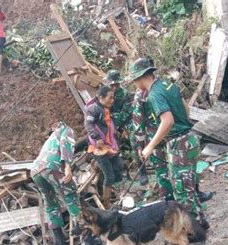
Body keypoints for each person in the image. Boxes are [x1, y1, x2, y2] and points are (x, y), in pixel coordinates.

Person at [128, 58, 210, 229]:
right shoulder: (167, 84)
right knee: (188, 186)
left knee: (181, 191)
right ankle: (201, 222)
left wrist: (149, 146)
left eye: (134, 81)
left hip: (179, 143)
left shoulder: (154, 94)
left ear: (140, 77)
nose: (135, 85)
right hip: (189, 138)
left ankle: (194, 230)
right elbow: (185, 108)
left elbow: (167, 121)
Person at [30, 122, 101, 245]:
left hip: (35, 171)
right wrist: (67, 167)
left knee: (50, 203)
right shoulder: (66, 129)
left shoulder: (50, 140)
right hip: (53, 168)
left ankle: (60, 243)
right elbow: (65, 145)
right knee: (72, 201)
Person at [103, 70, 149, 185]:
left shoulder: (125, 94)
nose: (114, 87)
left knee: (135, 143)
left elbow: (125, 113)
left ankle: (142, 171)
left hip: (129, 121)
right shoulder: (106, 94)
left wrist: (116, 124)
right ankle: (120, 172)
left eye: (116, 84)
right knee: (110, 145)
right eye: (112, 85)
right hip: (113, 124)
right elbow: (105, 111)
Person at [84, 85, 125, 209]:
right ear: (101, 97)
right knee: (110, 175)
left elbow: (109, 125)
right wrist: (97, 138)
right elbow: (88, 124)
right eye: (110, 98)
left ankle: (108, 189)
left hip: (109, 146)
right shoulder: (93, 109)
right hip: (98, 148)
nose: (112, 100)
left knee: (119, 166)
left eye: (113, 98)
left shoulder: (106, 109)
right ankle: (106, 203)